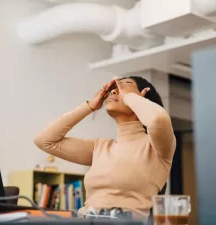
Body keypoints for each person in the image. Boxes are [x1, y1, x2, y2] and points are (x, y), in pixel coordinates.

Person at [34, 76, 176, 220]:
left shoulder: (157, 147)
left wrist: (131, 97)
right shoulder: (100, 147)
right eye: (113, 89)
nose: (114, 91)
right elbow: (45, 141)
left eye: (124, 85)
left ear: (142, 97)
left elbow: (158, 120)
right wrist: (89, 106)